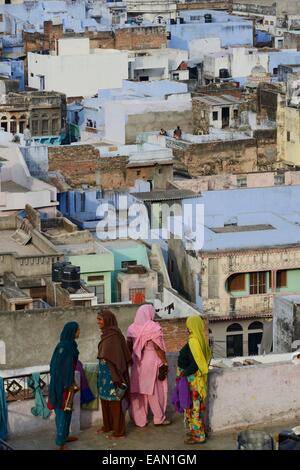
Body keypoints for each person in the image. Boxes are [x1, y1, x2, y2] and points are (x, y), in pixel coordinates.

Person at [127, 304, 171, 428]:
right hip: (152, 362)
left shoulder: (131, 328)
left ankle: (140, 421)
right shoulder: (153, 327)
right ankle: (159, 418)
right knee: (154, 392)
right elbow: (158, 348)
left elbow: (129, 347)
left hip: (137, 363)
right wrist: (165, 362)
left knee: (139, 392)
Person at [176, 315, 212, 445]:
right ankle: (197, 430)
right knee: (195, 407)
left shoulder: (193, 342)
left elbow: (195, 364)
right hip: (196, 380)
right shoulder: (200, 339)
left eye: (188, 325)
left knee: (193, 408)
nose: (186, 328)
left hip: (193, 381)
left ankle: (199, 436)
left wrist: (183, 374)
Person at [96, 309, 131, 439]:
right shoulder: (105, 335)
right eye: (98, 319)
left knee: (115, 404)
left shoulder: (114, 336)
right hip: (104, 375)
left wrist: (117, 375)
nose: (98, 322)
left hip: (113, 375)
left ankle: (119, 431)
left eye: (100, 319)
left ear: (108, 320)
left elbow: (118, 358)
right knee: (105, 402)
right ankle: (108, 426)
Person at [48, 322, 80, 450]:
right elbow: (60, 368)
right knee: (62, 412)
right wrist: (68, 384)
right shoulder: (64, 347)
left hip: (67, 383)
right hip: (62, 386)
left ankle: (65, 436)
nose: (79, 333)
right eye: (77, 330)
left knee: (67, 411)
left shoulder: (70, 345)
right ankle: (60, 444)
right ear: (72, 332)